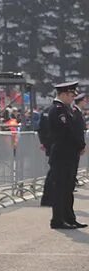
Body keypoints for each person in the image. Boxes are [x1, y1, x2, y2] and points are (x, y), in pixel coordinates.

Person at [44, 81, 87, 230]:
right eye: (70, 95)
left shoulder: (69, 109)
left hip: (70, 154)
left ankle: (69, 217)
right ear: (62, 94)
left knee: (68, 188)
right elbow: (66, 131)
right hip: (62, 154)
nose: (72, 98)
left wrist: (80, 146)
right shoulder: (57, 110)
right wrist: (79, 145)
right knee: (60, 188)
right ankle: (58, 219)